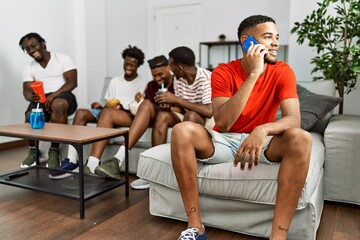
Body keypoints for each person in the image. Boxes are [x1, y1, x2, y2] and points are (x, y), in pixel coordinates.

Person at [171, 15, 312, 240]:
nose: (275, 42)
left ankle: (278, 237)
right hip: (226, 140)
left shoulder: (283, 71)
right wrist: (254, 74)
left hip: (263, 143)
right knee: (181, 130)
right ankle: (195, 228)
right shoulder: (223, 72)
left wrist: (262, 129)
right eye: (268, 37)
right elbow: (224, 121)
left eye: (276, 37)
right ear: (246, 42)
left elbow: (293, 119)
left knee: (301, 138)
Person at [97, 47, 213, 188]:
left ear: (180, 67)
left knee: (190, 115)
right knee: (162, 115)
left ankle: (187, 173)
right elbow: (181, 108)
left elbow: (209, 111)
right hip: (185, 113)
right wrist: (168, 106)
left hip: (203, 118)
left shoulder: (205, 78)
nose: (169, 68)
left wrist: (175, 99)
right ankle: (154, 173)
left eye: (171, 65)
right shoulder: (179, 78)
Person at [50, 45, 147, 179]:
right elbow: (109, 103)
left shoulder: (143, 82)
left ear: (139, 65)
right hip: (110, 111)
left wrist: (119, 108)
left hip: (128, 114)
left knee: (107, 113)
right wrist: (99, 106)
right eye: (126, 63)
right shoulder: (115, 81)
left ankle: (92, 163)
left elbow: (139, 107)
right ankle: (72, 161)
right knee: (81, 113)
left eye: (133, 64)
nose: (129, 66)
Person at [19, 32, 78, 169]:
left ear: (42, 43)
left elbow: (72, 82)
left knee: (58, 104)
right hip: (42, 97)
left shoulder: (62, 58)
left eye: (33, 45)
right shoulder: (29, 67)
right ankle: (34, 151)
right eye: (27, 49)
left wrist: (53, 96)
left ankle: (54, 150)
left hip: (63, 95)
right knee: (30, 115)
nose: (31, 50)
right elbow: (26, 90)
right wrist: (31, 96)